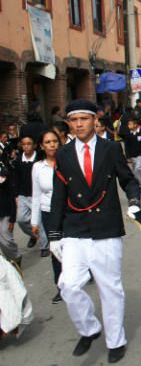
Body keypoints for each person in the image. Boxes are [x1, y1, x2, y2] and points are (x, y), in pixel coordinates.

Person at [46, 99, 141, 363]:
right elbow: (58, 195)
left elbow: (128, 179)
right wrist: (54, 234)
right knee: (68, 285)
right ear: (69, 123)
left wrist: (134, 202)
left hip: (106, 227)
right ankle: (89, 329)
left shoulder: (111, 148)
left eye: (83, 119)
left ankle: (115, 341)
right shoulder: (63, 154)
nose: (78, 124)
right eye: (73, 120)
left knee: (110, 288)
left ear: (94, 120)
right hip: (75, 228)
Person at [31, 130, 63, 303]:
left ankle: (81, 274)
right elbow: (36, 195)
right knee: (55, 249)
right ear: (42, 146)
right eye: (48, 142)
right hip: (48, 213)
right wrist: (34, 222)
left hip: (68, 211)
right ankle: (61, 287)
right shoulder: (37, 167)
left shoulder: (66, 161)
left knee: (74, 245)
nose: (52, 145)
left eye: (54, 141)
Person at [13, 135, 40, 252]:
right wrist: (16, 194)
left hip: (37, 194)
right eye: (24, 144)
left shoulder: (39, 158)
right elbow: (16, 177)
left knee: (41, 220)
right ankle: (34, 234)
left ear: (34, 145)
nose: (26, 146)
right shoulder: (19, 159)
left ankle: (45, 246)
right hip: (23, 194)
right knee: (21, 219)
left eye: (29, 144)